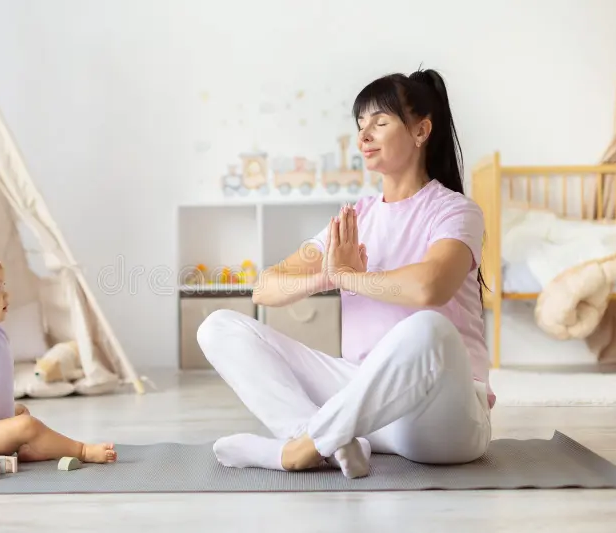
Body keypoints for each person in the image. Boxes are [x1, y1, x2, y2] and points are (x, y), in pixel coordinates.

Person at [197, 68, 492, 479]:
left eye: (380, 122)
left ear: (422, 130)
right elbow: (265, 288)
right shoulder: (355, 218)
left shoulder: (456, 211)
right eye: (360, 125)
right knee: (217, 327)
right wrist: (329, 276)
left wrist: (351, 277)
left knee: (429, 329)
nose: (364, 136)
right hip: (364, 406)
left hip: (440, 418)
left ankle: (301, 447)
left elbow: (429, 287)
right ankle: (328, 442)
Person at [0, 237, 117, 469]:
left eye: (2, 286)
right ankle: (82, 450)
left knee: (19, 413)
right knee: (27, 426)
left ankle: (26, 449)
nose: (6, 295)